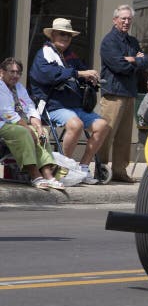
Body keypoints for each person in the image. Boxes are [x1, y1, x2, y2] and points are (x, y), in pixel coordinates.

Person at [28, 18, 109, 184]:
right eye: (62, 34)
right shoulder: (44, 53)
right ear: (53, 35)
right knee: (76, 124)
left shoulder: (70, 55)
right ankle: (64, 167)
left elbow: (80, 72)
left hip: (74, 106)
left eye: (69, 35)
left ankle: (84, 167)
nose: (65, 38)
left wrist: (90, 79)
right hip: (52, 106)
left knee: (102, 125)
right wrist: (79, 74)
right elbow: (51, 75)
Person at [100, 4, 148, 183]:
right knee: (106, 133)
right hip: (113, 93)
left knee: (124, 136)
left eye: (129, 19)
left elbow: (146, 61)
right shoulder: (109, 41)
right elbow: (119, 66)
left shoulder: (133, 41)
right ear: (115, 20)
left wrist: (133, 60)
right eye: (123, 18)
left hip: (129, 93)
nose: (126, 22)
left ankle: (120, 171)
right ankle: (100, 168)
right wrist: (136, 61)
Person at [0, 58, 64, 190]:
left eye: (18, 72)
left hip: (17, 123)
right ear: (2, 72)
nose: (15, 75)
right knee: (24, 132)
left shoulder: (19, 87)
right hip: (3, 123)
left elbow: (30, 107)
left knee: (42, 133)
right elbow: (7, 114)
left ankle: (48, 175)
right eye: (12, 72)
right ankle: (34, 175)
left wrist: (38, 127)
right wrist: (28, 129)